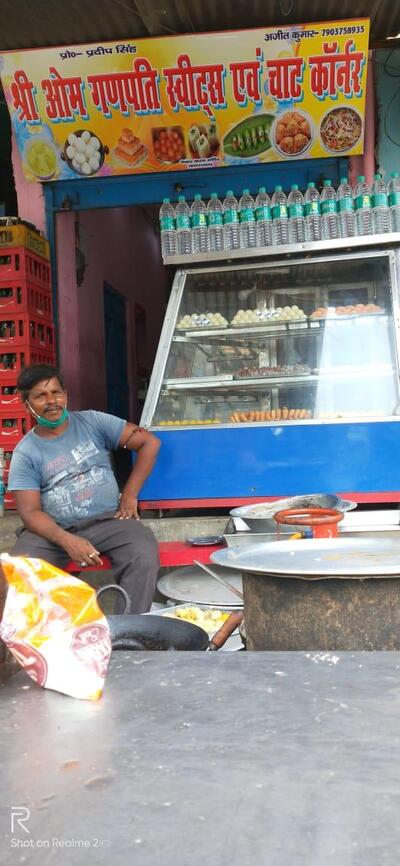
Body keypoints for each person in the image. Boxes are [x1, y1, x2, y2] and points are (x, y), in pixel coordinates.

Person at [7, 364, 161, 613]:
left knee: (142, 552)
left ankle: (130, 629)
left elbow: (149, 443)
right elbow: (30, 512)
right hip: (52, 532)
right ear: (27, 405)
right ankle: (41, 635)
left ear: (65, 395)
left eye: (56, 392)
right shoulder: (26, 452)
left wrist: (130, 494)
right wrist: (67, 540)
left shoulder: (93, 421)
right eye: (40, 396)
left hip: (106, 522)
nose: (51, 401)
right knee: (19, 573)